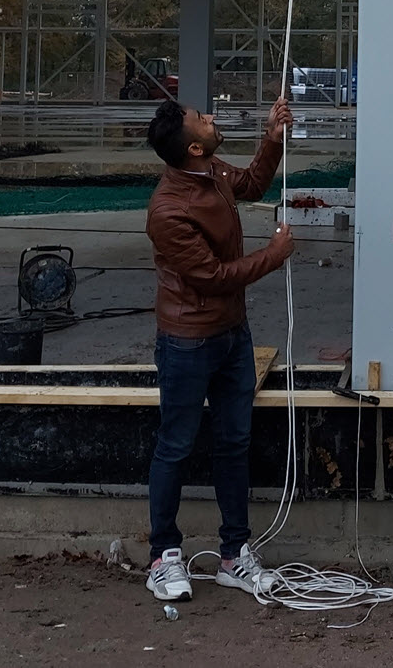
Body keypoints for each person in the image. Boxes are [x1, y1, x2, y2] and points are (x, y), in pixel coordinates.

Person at [143, 97, 295, 601]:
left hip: (233, 334)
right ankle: (163, 555)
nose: (211, 118)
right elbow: (211, 277)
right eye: (202, 120)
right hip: (188, 340)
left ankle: (234, 555)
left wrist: (272, 138)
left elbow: (250, 184)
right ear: (192, 146)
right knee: (176, 445)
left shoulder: (210, 172)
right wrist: (272, 257)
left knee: (234, 443)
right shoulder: (169, 210)